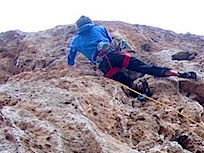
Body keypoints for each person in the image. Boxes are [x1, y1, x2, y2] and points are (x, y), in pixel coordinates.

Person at [66, 16, 196, 96]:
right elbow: (109, 41)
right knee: (146, 67)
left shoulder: (75, 41)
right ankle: (178, 74)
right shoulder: (99, 28)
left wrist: (73, 66)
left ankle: (140, 88)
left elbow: (70, 60)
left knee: (127, 83)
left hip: (103, 64)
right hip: (115, 55)